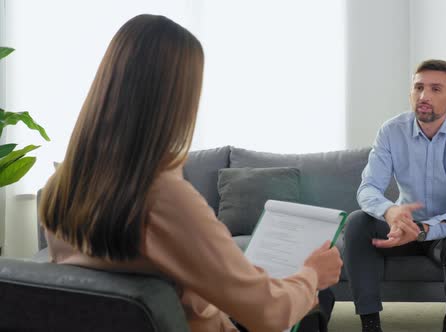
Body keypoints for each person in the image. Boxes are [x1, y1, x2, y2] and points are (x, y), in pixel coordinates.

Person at [39, 14, 342, 332]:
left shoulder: (63, 186)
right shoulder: (163, 196)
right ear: (177, 99)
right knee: (320, 296)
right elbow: (269, 315)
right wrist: (311, 275)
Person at [344, 59, 446, 332]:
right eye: (418, 87)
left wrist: (422, 229)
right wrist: (390, 211)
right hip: (401, 226)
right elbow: (368, 188)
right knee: (357, 222)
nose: (424, 96)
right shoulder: (391, 131)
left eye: (435, 89)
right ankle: (370, 323)